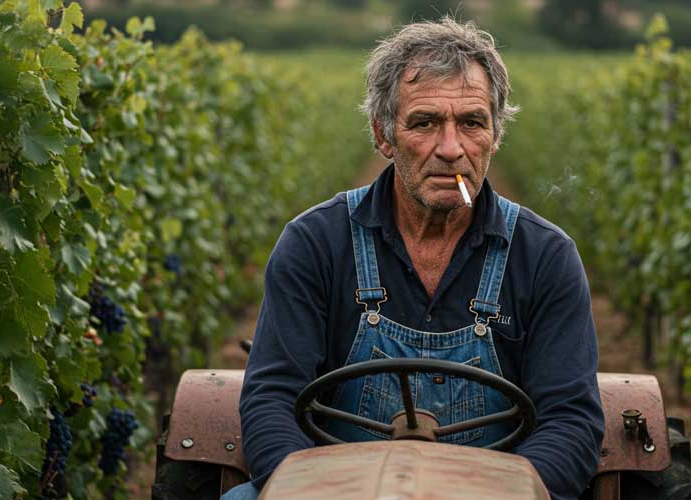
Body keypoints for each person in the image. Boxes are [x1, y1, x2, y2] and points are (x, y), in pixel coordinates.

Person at [227, 17, 604, 500]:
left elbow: (570, 420)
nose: (451, 149)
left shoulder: (545, 256)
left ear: (495, 135)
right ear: (384, 135)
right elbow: (271, 400)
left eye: (471, 123)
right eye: (424, 123)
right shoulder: (314, 243)